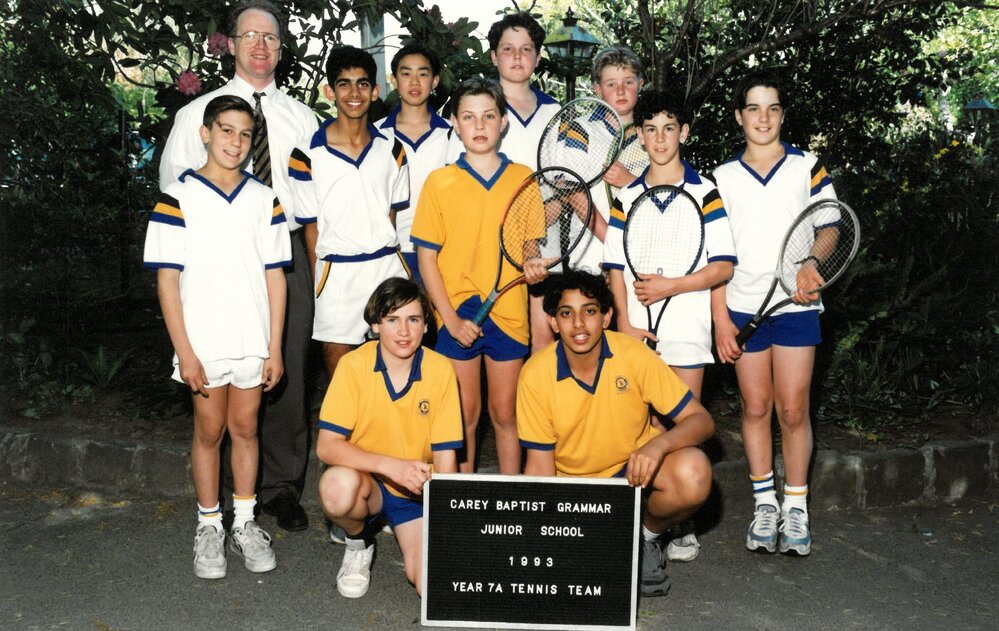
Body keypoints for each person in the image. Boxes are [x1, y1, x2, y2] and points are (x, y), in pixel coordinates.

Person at [158, 0, 318, 532]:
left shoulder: (300, 117)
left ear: (280, 47)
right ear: (231, 42)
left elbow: (319, 195)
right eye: (250, 35)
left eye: (270, 38)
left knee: (283, 368)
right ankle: (221, 497)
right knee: (215, 382)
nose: (260, 45)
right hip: (214, 261)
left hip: (283, 253)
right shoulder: (195, 116)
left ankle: (280, 487)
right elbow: (175, 195)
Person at [145, 95, 290, 579]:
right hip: (203, 339)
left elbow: (275, 278)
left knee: (246, 429)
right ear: (206, 133)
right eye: (226, 130)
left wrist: (274, 348)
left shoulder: (263, 198)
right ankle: (209, 525)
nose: (236, 141)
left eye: (245, 134)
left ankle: (245, 523)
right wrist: (184, 351)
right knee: (209, 431)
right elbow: (167, 280)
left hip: (251, 336)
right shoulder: (176, 196)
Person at [517, 271, 714, 596]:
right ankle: (605, 539)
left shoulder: (634, 355)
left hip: (632, 474)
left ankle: (645, 539)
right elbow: (539, 467)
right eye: (566, 313)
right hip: (575, 491)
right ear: (553, 322)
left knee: (693, 472)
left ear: (607, 316)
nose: (579, 324)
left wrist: (658, 446)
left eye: (590, 311)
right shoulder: (534, 376)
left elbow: (701, 420)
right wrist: (540, 537)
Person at [602, 89, 736, 562]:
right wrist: (623, 323)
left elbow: (721, 267)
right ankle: (644, 518)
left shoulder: (705, 192)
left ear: (685, 132)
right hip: (637, 327)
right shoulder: (626, 196)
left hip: (687, 326)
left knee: (684, 422)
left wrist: (671, 287)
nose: (660, 138)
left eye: (669, 128)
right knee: (642, 426)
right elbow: (614, 267)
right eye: (650, 129)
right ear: (639, 135)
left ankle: (678, 522)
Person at [711, 71, 836, 557]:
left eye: (773, 108)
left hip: (796, 305)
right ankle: (765, 506)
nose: (763, 118)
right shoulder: (719, 178)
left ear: (782, 114)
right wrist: (721, 319)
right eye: (753, 109)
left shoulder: (808, 167)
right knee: (756, 408)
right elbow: (715, 257)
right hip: (744, 309)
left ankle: (797, 507)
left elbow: (828, 227)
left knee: (792, 408)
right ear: (740, 116)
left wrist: (811, 261)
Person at [411, 77, 549, 474]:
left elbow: (529, 252)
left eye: (489, 116)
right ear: (454, 122)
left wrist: (533, 269)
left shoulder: (523, 178)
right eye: (469, 117)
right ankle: (463, 509)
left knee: (505, 415)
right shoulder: (439, 183)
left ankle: (511, 496)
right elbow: (427, 260)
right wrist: (450, 321)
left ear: (503, 122)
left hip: (508, 315)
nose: (480, 125)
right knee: (463, 417)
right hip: (458, 318)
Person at [316, 278, 462, 598]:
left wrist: (445, 520)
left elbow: (447, 461)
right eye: (392, 320)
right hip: (369, 481)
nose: (404, 331)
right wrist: (391, 466)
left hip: (417, 489)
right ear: (375, 325)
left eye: (413, 319)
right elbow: (327, 446)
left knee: (431, 586)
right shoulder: (353, 366)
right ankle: (358, 541)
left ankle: (408, 535)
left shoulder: (440, 370)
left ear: (426, 325)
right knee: (336, 487)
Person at [289, 45, 410, 379]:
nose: (353, 93)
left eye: (362, 84)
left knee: (394, 375)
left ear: (375, 91)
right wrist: (320, 285)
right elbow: (310, 229)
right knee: (341, 382)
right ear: (330, 91)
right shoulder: (305, 154)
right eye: (344, 84)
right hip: (336, 273)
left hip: (385, 268)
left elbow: (391, 219)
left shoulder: (393, 149)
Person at [374, 43, 451, 289]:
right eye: (406, 74)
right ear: (394, 79)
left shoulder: (453, 135)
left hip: (442, 252)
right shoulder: (374, 135)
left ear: (435, 80)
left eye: (423, 74)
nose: (414, 82)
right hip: (389, 253)